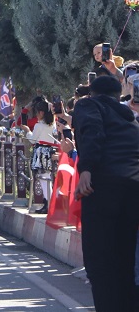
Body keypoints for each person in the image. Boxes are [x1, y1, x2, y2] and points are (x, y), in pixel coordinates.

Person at [73, 75, 139, 311]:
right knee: (124, 260)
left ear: (92, 92)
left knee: (99, 261)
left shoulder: (88, 105)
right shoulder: (129, 119)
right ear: (118, 94)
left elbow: (92, 131)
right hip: (131, 192)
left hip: (101, 188)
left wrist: (86, 169)